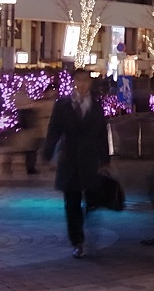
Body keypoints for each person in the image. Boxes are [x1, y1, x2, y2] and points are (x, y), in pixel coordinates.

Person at [42, 69, 111, 258]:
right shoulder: (63, 105)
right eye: (78, 81)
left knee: (92, 200)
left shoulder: (96, 106)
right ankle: (77, 241)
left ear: (90, 83)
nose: (81, 85)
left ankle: (87, 226)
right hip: (70, 160)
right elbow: (54, 130)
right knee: (71, 203)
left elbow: (101, 135)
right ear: (73, 82)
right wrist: (48, 153)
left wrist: (105, 160)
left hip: (90, 160)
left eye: (85, 81)